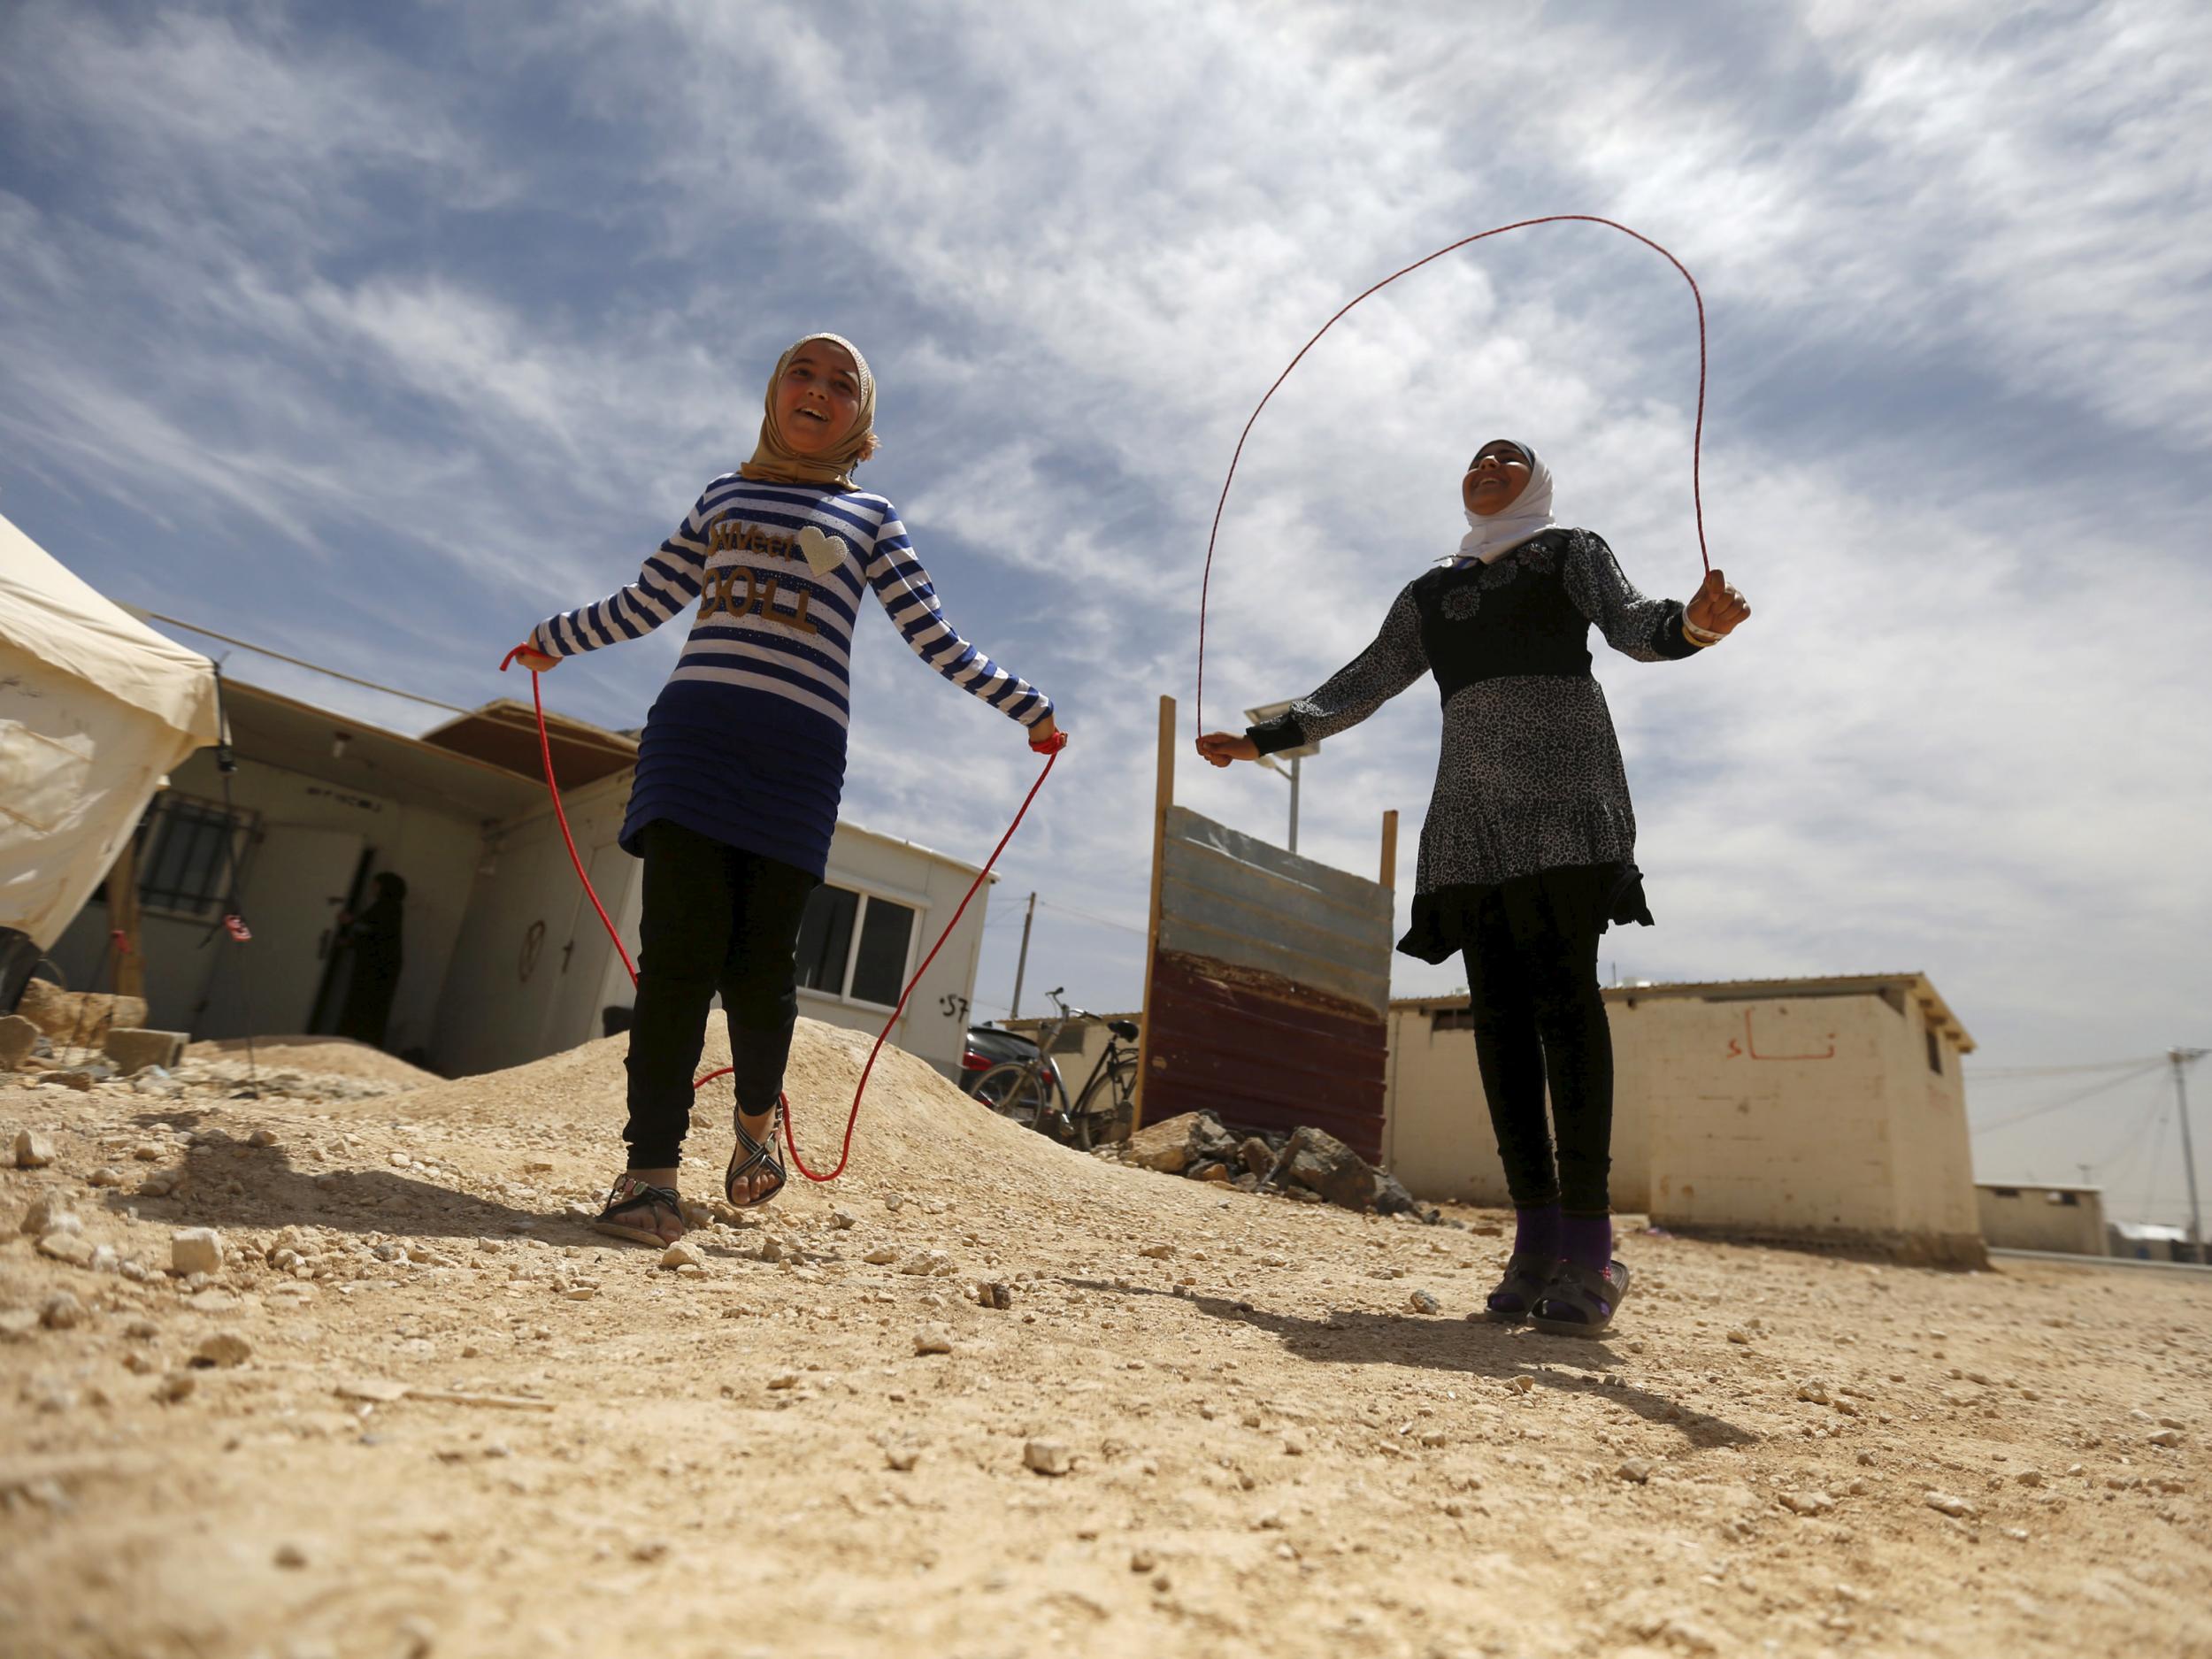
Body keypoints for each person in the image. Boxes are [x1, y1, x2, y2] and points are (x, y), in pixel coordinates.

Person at [512, 334, 1063, 1246]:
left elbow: (934, 634)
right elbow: (649, 598)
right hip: (693, 737)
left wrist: (1025, 706)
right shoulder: (724, 497)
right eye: (800, 374)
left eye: (840, 382)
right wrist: (554, 639)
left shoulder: (873, 518)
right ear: (772, 396)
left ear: (862, 417)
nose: (818, 390)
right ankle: (647, 1175)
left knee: (762, 974)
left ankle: (755, 1133)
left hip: (798, 756)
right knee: (679, 962)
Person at [1197, 439, 1747, 1336]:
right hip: (1471, 815)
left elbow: (1633, 624)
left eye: (1508, 458)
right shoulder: (1428, 593)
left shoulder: (1570, 551)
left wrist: (1694, 625)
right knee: (1498, 1023)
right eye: (1476, 459)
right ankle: (1533, 1244)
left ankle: (1591, 1248)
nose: (1487, 466)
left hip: (1569, 795)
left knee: (1565, 1006)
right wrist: (1261, 740)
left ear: (1534, 482)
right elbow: (1366, 679)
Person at [334, 871, 406, 1049]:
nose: (372, 888)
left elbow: (374, 932)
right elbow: (373, 936)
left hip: (376, 971)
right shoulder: (386, 907)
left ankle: (357, 1046)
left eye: (376, 885)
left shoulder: (388, 908)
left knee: (365, 1008)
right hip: (378, 969)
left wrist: (350, 922)